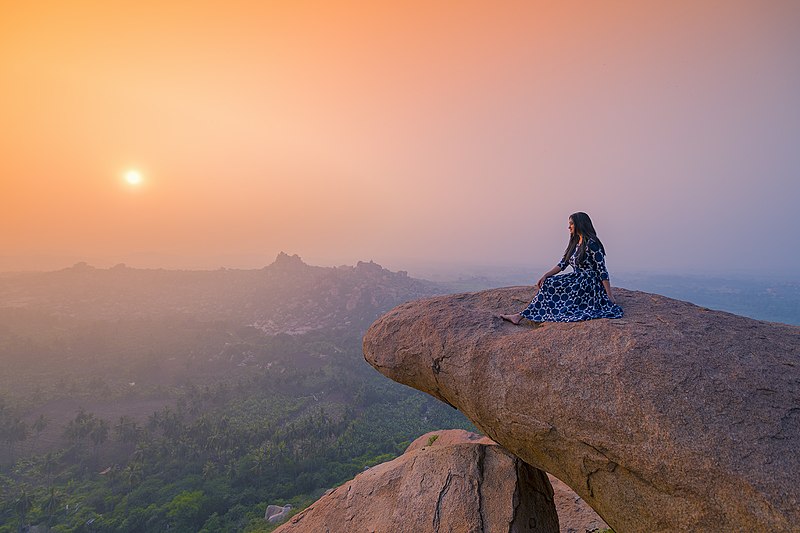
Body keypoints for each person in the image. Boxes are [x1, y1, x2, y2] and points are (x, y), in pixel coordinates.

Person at [500, 212, 623, 324]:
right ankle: (520, 316)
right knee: (548, 283)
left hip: (589, 284)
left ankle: (520, 316)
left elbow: (602, 270)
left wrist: (609, 294)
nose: (569, 227)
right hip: (577, 279)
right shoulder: (575, 242)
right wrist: (546, 275)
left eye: (571, 224)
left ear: (580, 224)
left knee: (554, 290)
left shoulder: (592, 243)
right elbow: (563, 264)